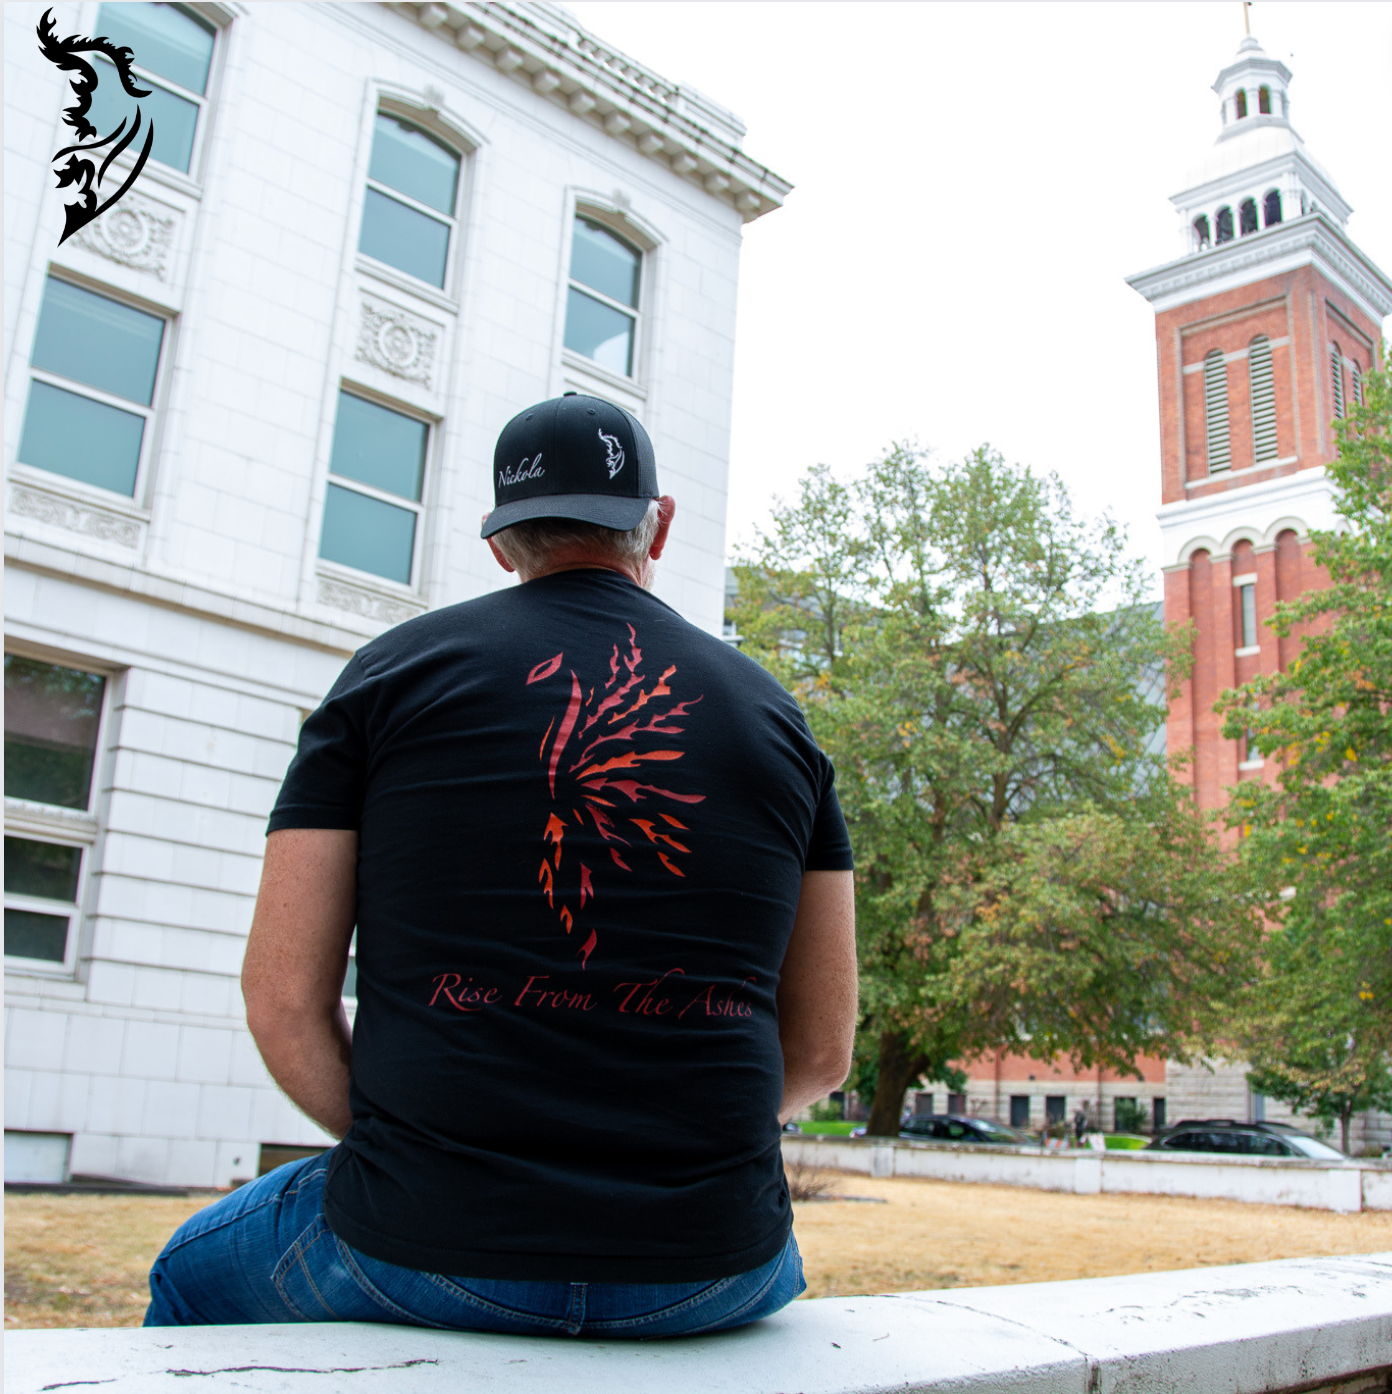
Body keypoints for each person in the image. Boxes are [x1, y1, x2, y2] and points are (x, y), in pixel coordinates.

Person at [145, 392, 858, 1337]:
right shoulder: (779, 722)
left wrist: (417, 1162)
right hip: (715, 1267)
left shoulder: (387, 678)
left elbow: (281, 1001)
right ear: (661, 524)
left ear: (500, 543)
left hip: (419, 1243)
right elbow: (821, 1054)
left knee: (189, 1276)